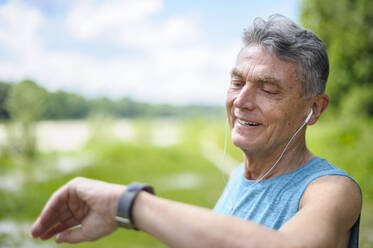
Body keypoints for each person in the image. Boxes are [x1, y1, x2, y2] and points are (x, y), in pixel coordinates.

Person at [31, 14, 362, 248]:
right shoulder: (241, 177)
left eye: (268, 89)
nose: (241, 101)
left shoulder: (332, 191)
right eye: (237, 82)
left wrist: (128, 204)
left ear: (314, 109)